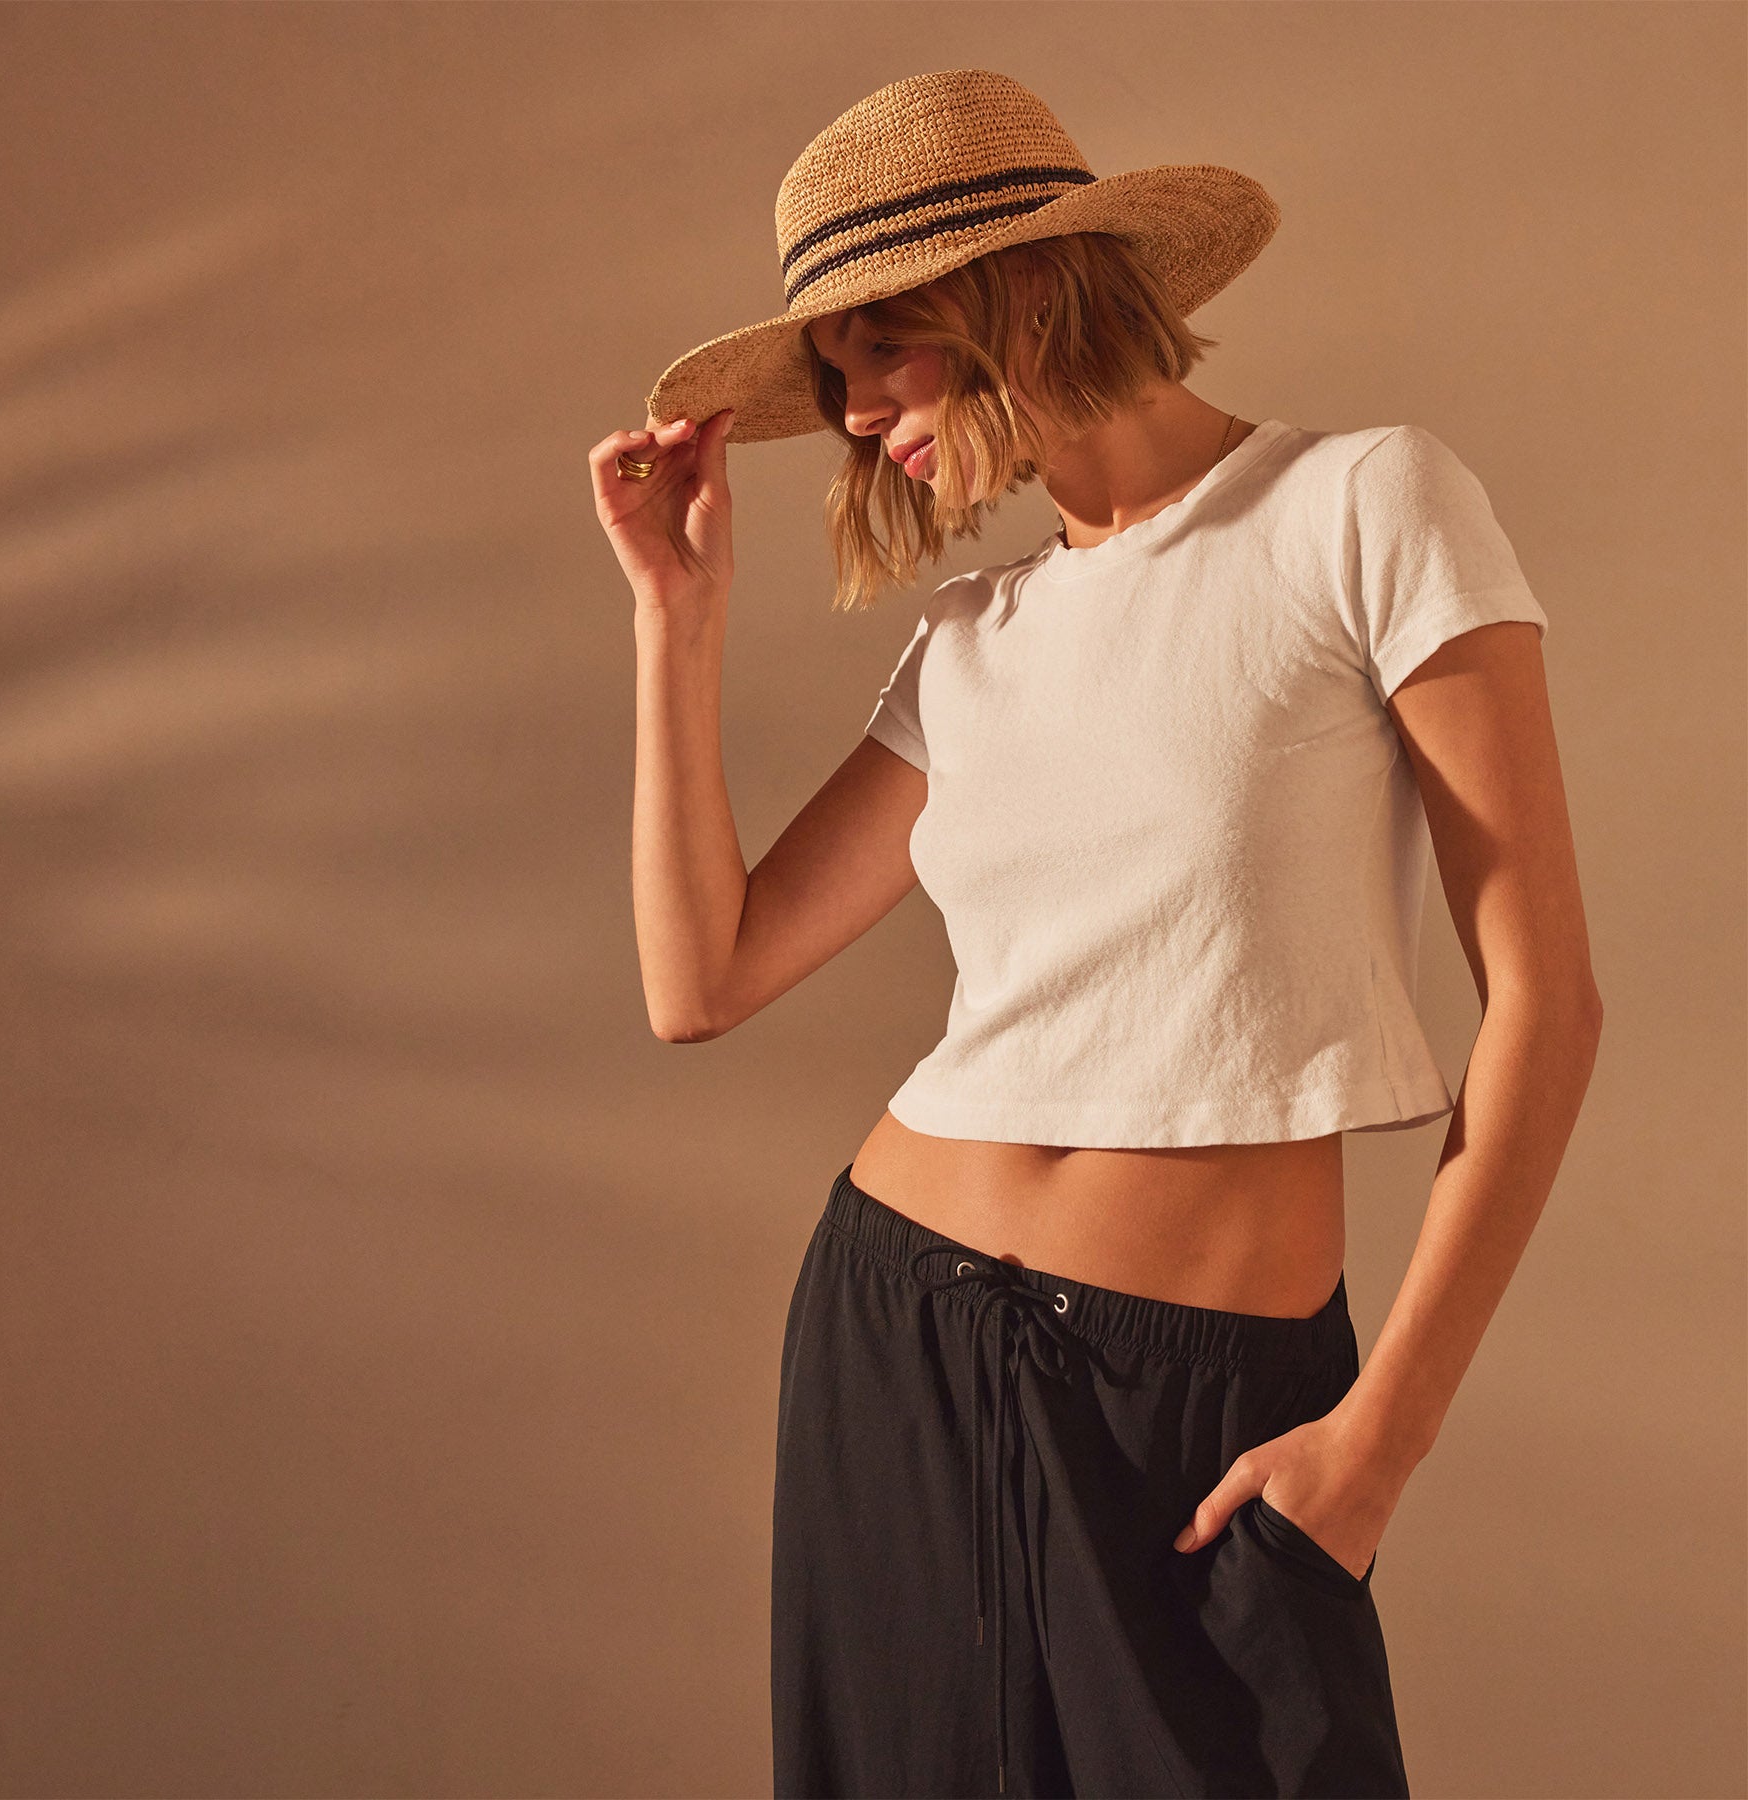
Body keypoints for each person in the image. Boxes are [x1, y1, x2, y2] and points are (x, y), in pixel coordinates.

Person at [589, 68, 1602, 1800]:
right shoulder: (974, 638)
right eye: (832, 377)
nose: (858, 415)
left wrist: (1381, 1441)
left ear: (1019, 288)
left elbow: (1547, 1004)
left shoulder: (1364, 505)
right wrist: (674, 622)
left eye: (883, 349)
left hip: (1202, 1400)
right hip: (897, 1344)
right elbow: (702, 978)